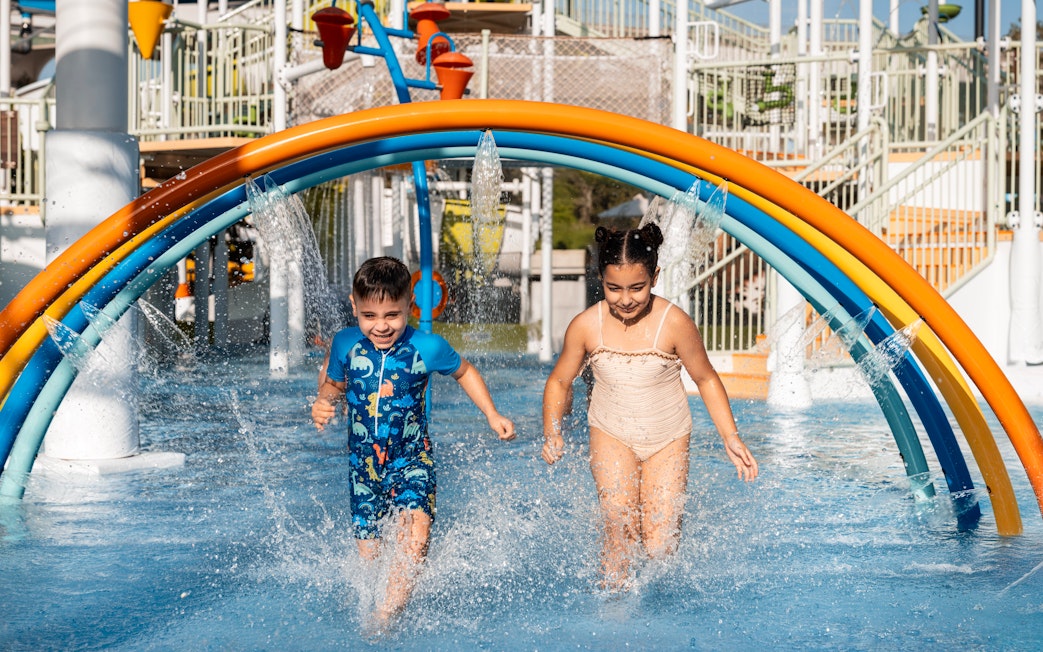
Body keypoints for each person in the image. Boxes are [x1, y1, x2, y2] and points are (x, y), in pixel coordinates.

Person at [541, 224, 758, 590]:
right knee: (618, 526)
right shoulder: (586, 326)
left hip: (667, 440)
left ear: (654, 277)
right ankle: (613, 610)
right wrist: (552, 432)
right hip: (611, 433)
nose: (625, 299)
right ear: (601, 279)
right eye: (614, 288)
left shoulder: (674, 323)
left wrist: (730, 437)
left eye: (637, 288)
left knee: (659, 545)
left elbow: (705, 378)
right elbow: (559, 381)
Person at [312, 256, 515, 628]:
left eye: (392, 314)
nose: (381, 325)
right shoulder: (345, 343)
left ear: (410, 304)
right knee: (370, 559)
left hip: (412, 462)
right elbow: (334, 384)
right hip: (363, 468)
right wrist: (323, 403)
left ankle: (384, 619)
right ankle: (383, 599)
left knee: (415, 539)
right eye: (370, 315)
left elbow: (465, 371)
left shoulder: (427, 347)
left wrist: (492, 414)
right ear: (355, 306)